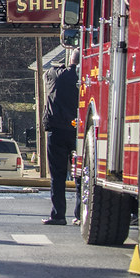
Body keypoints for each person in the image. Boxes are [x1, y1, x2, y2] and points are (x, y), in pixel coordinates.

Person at [42, 49, 80, 225]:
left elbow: (47, 73)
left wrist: (65, 66)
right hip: (79, 132)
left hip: (57, 131)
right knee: (81, 174)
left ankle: (58, 215)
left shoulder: (57, 76)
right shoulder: (87, 80)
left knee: (58, 175)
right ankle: (80, 214)